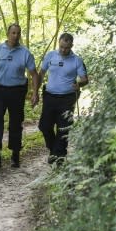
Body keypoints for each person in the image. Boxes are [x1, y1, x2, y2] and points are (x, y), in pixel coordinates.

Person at [0, 23, 40, 168]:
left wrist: (35, 93)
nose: (16, 36)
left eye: (18, 33)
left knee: (15, 123)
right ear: (8, 34)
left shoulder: (25, 53)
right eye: (13, 33)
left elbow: (34, 74)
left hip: (17, 92)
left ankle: (15, 155)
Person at [37, 33, 88, 164]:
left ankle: (59, 156)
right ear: (58, 44)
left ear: (71, 46)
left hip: (67, 98)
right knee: (44, 126)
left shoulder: (77, 60)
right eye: (61, 47)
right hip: (49, 96)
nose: (63, 50)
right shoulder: (50, 56)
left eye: (66, 48)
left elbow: (84, 79)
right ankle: (54, 149)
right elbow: (41, 73)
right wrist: (35, 91)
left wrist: (79, 84)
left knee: (63, 127)